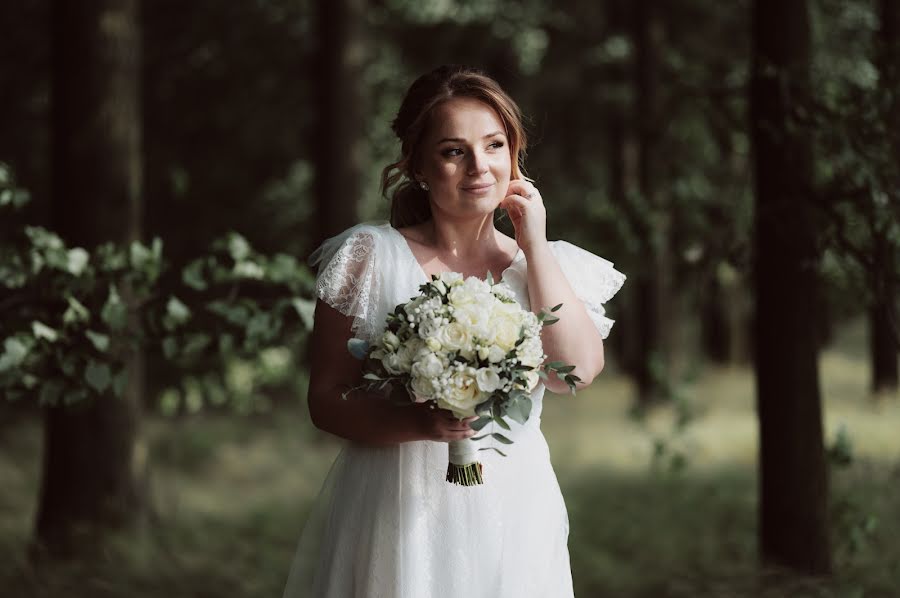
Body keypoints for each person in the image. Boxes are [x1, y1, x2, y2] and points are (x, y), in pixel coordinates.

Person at [282, 65, 625, 598]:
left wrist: (534, 246)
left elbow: (575, 374)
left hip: (513, 507)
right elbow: (325, 400)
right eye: (452, 151)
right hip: (398, 505)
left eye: (493, 145)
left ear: (514, 154)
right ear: (417, 165)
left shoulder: (545, 265)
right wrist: (419, 422)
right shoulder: (369, 258)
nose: (479, 167)